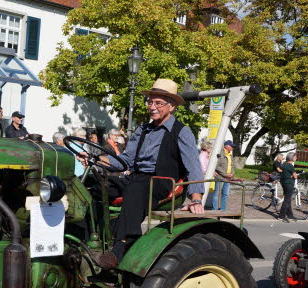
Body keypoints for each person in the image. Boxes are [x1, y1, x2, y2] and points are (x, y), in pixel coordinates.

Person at [77, 79, 205, 268]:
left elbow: (193, 166)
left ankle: (122, 246)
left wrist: (196, 199)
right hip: (135, 177)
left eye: (158, 103)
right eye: (150, 102)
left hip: (162, 181)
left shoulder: (181, 132)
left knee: (135, 189)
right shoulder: (142, 130)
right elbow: (125, 161)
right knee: (93, 187)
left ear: (172, 107)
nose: (152, 107)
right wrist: (96, 159)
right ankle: (89, 239)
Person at [212, 140, 236, 211]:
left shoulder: (230, 155)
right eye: (232, 146)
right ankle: (215, 210)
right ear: (227, 146)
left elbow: (233, 166)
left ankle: (223, 209)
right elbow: (216, 166)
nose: (232, 148)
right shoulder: (219, 153)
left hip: (228, 178)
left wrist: (232, 174)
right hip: (220, 177)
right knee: (216, 194)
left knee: (225, 194)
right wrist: (226, 174)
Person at [278, 152, 298, 222]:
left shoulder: (284, 164)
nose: (296, 158)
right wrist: (293, 176)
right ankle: (281, 215)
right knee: (287, 200)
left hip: (284, 183)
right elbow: (295, 176)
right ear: (292, 158)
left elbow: (284, 173)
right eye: (295, 157)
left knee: (288, 199)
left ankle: (290, 215)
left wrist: (291, 175)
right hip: (289, 183)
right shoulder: (290, 165)